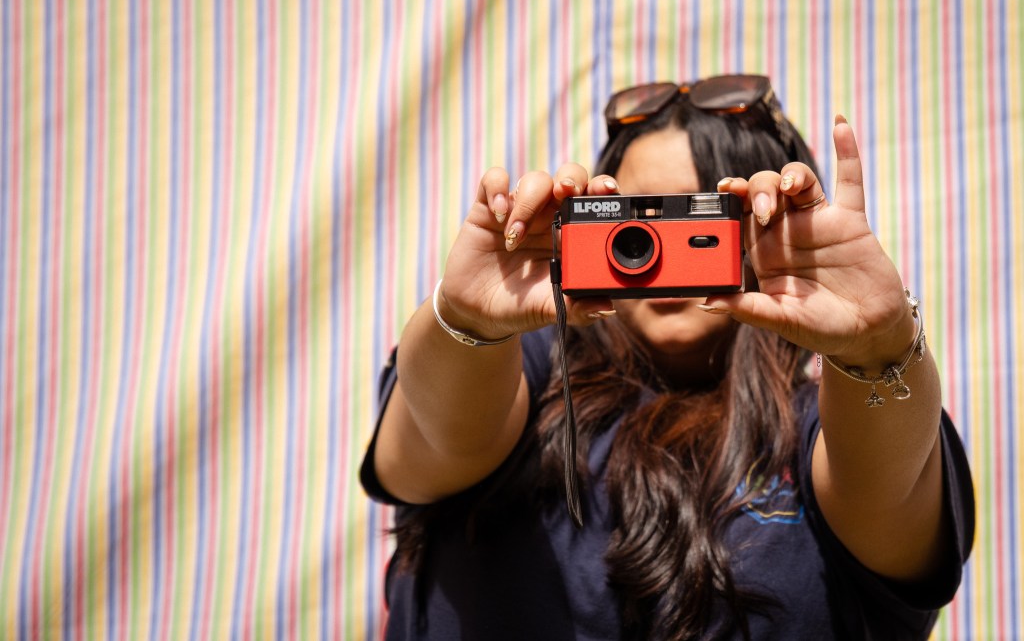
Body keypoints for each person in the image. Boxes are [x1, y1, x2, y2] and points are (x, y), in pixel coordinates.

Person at [360, 75, 974, 640]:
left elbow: (888, 498)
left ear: (777, 228)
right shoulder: (530, 371)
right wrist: (469, 320)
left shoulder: (830, 419)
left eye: (695, 220)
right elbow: (436, 443)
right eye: (635, 220)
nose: (653, 248)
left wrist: (875, 348)